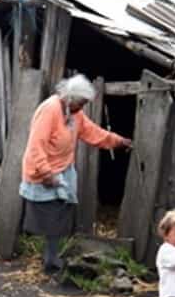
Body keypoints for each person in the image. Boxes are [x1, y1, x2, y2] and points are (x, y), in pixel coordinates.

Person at [20, 74, 132, 273]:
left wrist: (117, 141)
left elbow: (92, 132)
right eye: (82, 102)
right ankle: (49, 259)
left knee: (61, 213)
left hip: (63, 169)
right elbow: (36, 145)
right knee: (51, 216)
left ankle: (51, 257)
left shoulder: (74, 113)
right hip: (43, 170)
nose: (83, 107)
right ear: (71, 98)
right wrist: (45, 172)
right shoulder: (50, 110)